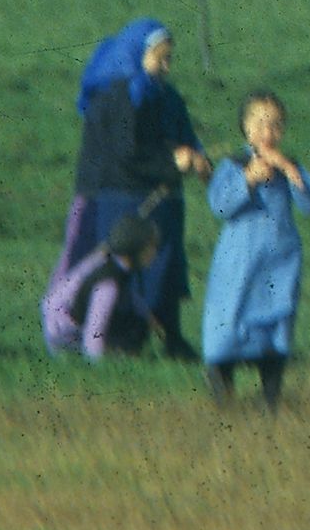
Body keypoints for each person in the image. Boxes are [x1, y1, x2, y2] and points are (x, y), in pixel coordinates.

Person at [64, 18, 210, 358]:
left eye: (170, 58)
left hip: (164, 198)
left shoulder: (167, 96)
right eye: (160, 57)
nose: (166, 66)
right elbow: (126, 153)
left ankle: (170, 335)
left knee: (166, 266)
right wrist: (173, 162)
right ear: (137, 54)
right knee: (127, 266)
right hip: (125, 196)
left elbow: (185, 136)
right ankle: (123, 338)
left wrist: (198, 158)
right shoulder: (119, 98)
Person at [201, 89, 310, 408]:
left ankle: (271, 399)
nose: (268, 133)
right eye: (261, 124)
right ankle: (222, 387)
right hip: (239, 265)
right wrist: (247, 180)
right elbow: (220, 206)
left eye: (276, 126)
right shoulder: (233, 164)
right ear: (246, 128)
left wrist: (291, 172)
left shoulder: (288, 167)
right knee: (229, 327)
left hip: (278, 265)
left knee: (275, 332)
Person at [41, 210, 161, 361]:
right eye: (151, 247)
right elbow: (95, 329)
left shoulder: (111, 261)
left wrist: (147, 314)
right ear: (135, 248)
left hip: (63, 325)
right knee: (134, 327)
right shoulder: (107, 283)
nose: (155, 253)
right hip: (65, 335)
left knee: (137, 320)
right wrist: (97, 365)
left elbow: (131, 296)